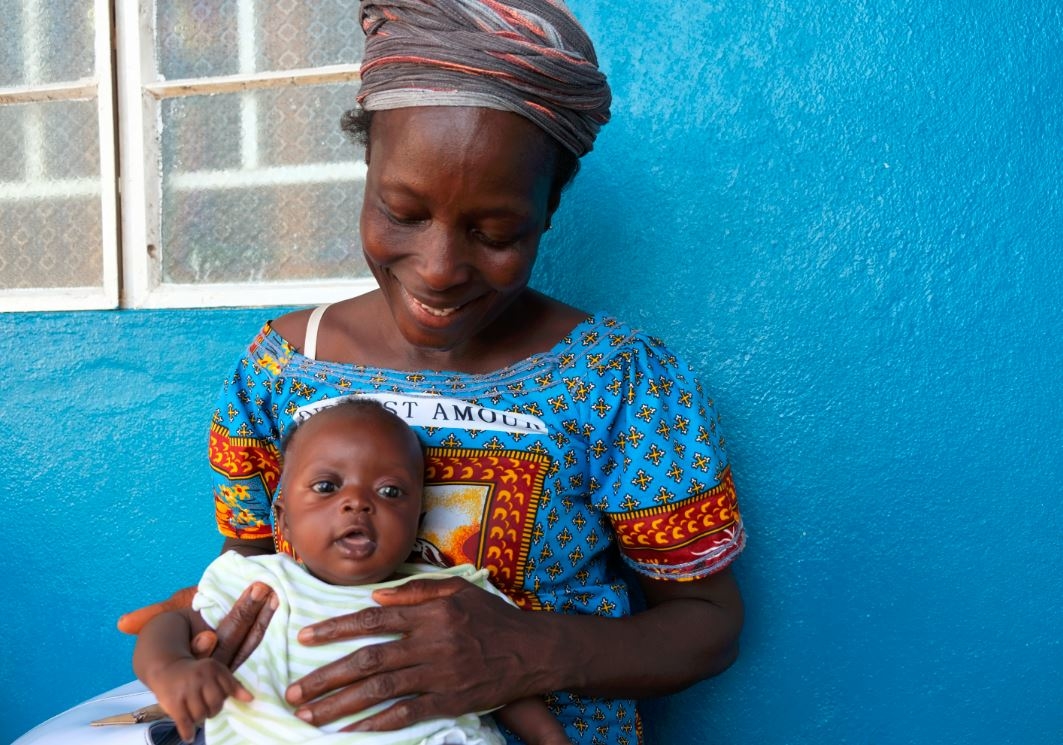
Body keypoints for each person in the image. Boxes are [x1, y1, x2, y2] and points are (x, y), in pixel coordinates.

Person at [119, 1, 747, 743]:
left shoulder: (622, 383)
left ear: (549, 208)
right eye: (403, 212)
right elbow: (256, 562)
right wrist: (197, 632)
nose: (441, 269)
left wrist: (532, 652)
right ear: (366, 171)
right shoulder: (279, 371)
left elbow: (707, 622)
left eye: (496, 231)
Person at [134, 398, 570, 745]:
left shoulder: (453, 595)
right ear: (282, 521)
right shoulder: (259, 583)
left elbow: (506, 680)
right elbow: (169, 624)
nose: (358, 502)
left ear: (417, 521)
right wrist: (172, 668)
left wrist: (549, 737)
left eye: (389, 491)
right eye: (327, 487)